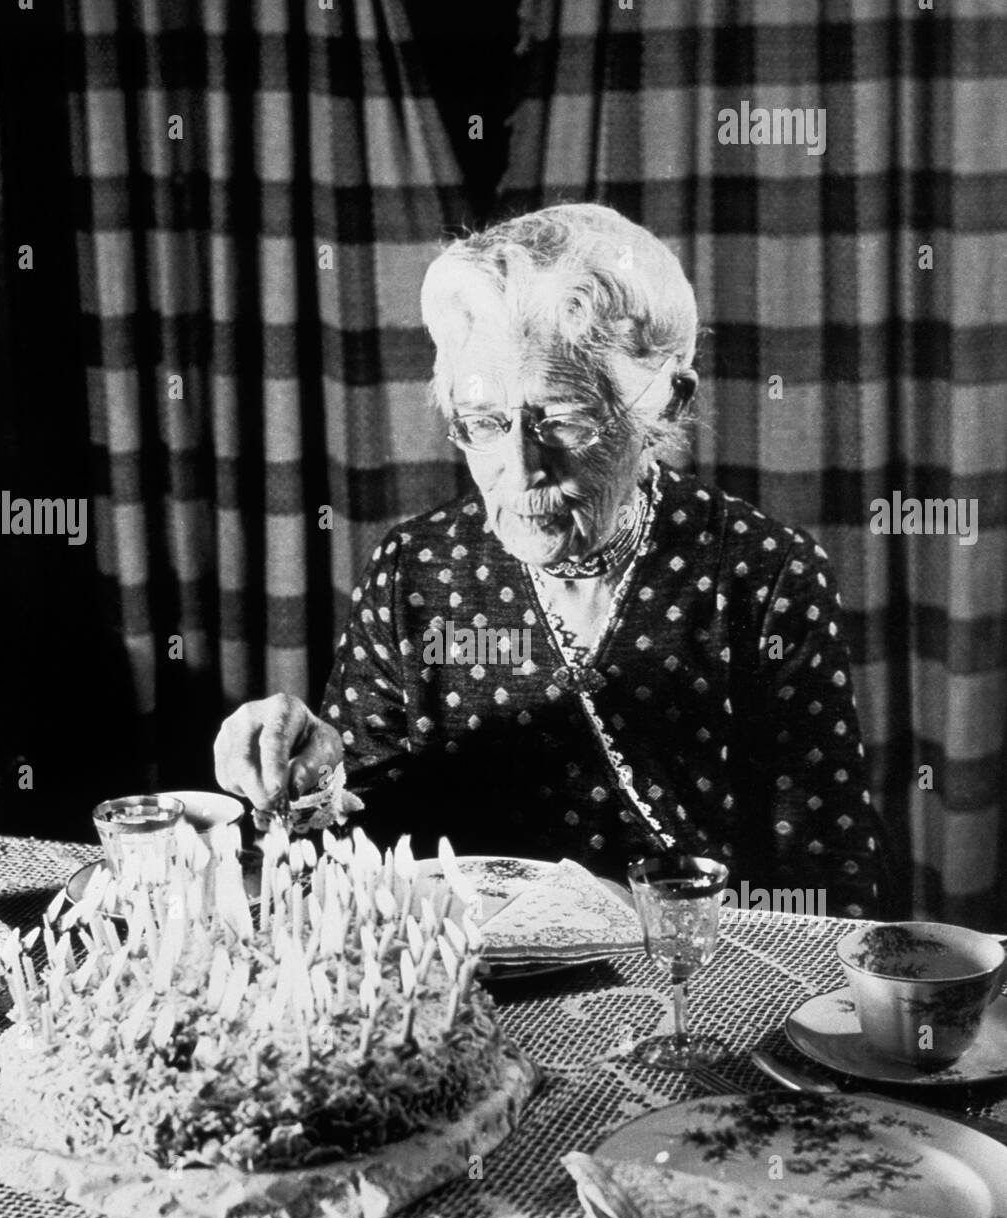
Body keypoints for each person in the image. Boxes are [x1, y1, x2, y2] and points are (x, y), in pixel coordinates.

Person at [215, 204, 887, 918]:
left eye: (563, 420)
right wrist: (308, 773)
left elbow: (823, 883)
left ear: (665, 401)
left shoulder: (762, 575)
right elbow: (357, 836)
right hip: (466, 978)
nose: (521, 467)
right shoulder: (413, 570)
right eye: (486, 423)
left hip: (687, 979)